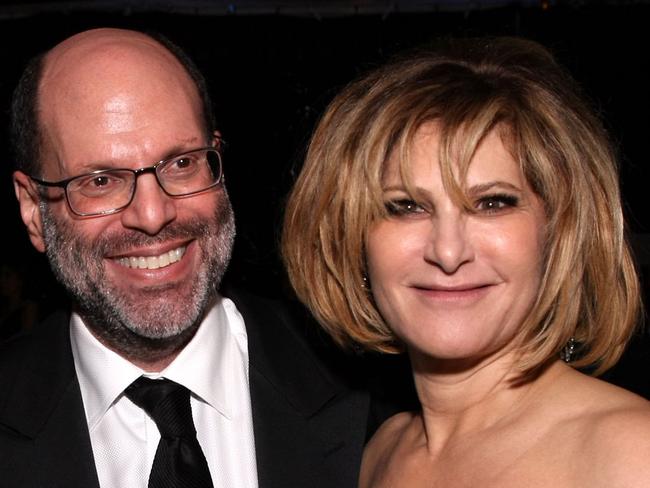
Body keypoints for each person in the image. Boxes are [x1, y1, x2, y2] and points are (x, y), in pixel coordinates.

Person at [0, 28, 377, 488]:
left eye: (181, 163)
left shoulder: (373, 396)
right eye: (100, 180)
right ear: (32, 211)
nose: (153, 214)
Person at [282, 37, 650, 487]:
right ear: (352, 240)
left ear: (558, 232)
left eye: (493, 203)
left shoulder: (632, 451)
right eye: (405, 207)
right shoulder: (378, 454)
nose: (449, 251)